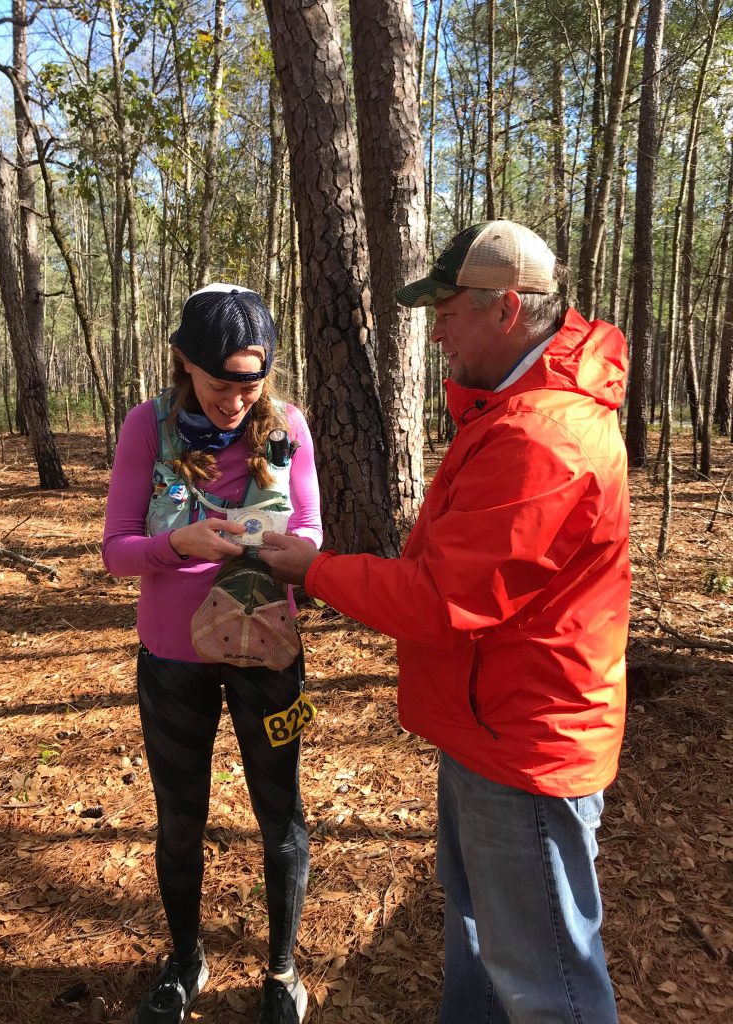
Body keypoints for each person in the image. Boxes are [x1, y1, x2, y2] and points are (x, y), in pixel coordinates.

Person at [259, 221, 630, 1024]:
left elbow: (440, 600)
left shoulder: (543, 437)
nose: (436, 330)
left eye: (450, 310)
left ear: (505, 311)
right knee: (483, 939)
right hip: (487, 727)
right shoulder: (508, 414)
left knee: (546, 983)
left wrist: (313, 569)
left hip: (523, 747)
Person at [102, 283, 322, 1024]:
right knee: (180, 816)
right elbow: (116, 551)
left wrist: (294, 550)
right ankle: (185, 958)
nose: (236, 401)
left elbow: (315, 526)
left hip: (269, 649)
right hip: (172, 654)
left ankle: (282, 972)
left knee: (280, 812)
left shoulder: (286, 426)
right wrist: (177, 545)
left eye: (250, 385)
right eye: (220, 383)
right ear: (184, 364)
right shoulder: (147, 427)